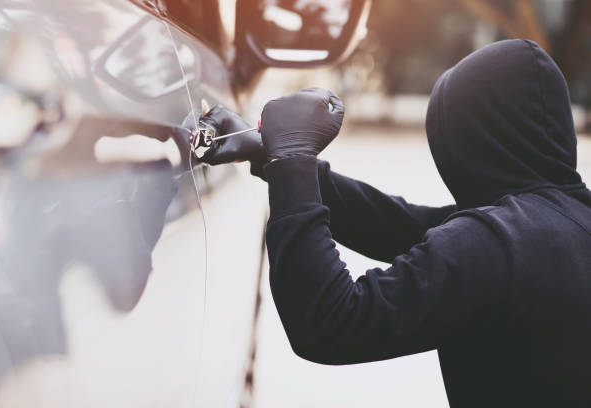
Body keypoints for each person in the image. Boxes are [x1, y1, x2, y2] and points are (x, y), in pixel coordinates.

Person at [199, 40, 591, 407]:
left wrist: (293, 160)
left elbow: (329, 320)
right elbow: (400, 225)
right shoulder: (563, 222)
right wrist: (274, 158)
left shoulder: (496, 242)